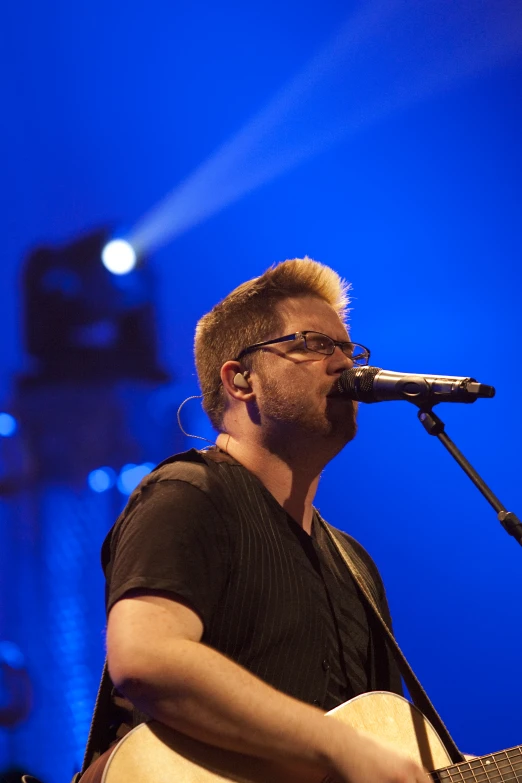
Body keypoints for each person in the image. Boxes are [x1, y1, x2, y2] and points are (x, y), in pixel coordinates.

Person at [87, 257, 428, 783]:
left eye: (347, 347)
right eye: (314, 343)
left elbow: (387, 753)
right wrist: (334, 743)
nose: (343, 363)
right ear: (241, 379)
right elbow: (146, 658)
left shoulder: (355, 565)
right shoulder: (189, 494)